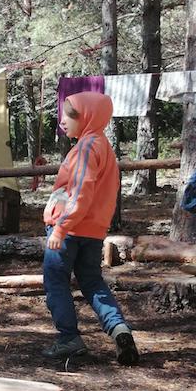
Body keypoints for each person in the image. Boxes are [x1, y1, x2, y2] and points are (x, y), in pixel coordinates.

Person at [42, 92, 139, 365]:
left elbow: (80, 194)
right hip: (92, 232)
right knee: (92, 282)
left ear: (85, 118)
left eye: (68, 115)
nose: (62, 121)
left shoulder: (87, 148)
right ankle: (119, 329)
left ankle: (68, 338)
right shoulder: (103, 147)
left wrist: (61, 228)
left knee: (56, 281)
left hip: (70, 231)